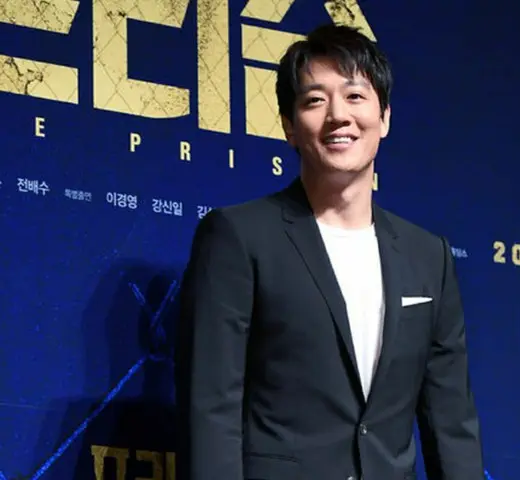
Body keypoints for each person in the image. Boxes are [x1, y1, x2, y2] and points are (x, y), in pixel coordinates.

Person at [176, 23, 484, 480]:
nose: (339, 115)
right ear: (289, 126)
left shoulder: (429, 256)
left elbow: (451, 421)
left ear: (385, 118)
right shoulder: (238, 236)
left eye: (355, 96)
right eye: (315, 100)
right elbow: (211, 407)